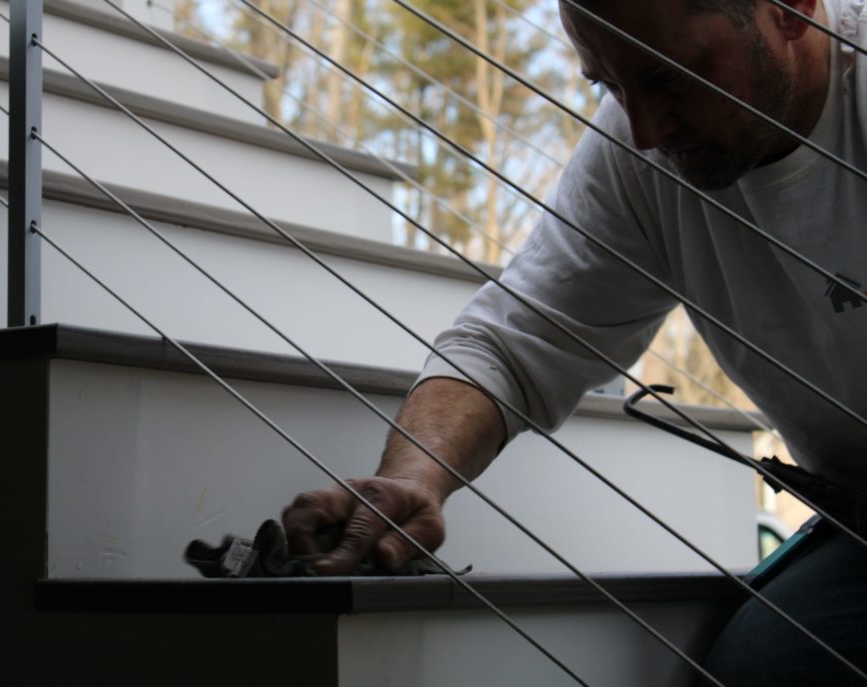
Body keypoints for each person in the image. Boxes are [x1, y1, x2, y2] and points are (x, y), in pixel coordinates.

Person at [284, 0, 867, 682]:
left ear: (792, 9)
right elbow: (512, 340)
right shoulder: (638, 157)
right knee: (769, 664)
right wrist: (412, 477)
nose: (645, 130)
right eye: (608, 85)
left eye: (672, 77)